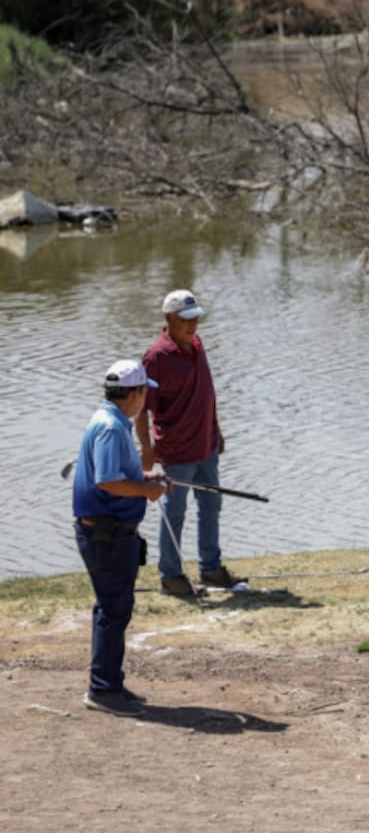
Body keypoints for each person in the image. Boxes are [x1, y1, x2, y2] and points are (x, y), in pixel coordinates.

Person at [73, 359, 169, 717]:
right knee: (113, 611)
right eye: (146, 392)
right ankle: (102, 690)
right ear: (136, 392)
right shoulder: (112, 428)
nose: (147, 399)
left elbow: (115, 474)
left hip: (108, 532)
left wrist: (146, 476)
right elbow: (108, 482)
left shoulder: (110, 421)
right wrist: (147, 490)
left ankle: (110, 684)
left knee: (114, 609)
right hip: (107, 535)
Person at [135, 289, 245, 596]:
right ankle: (171, 575)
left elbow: (207, 392)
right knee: (175, 512)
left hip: (206, 446)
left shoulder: (197, 345)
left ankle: (210, 569)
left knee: (211, 505)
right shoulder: (157, 357)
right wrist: (146, 449)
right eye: (186, 320)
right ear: (168, 318)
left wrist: (217, 430)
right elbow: (141, 409)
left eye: (195, 319)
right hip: (178, 452)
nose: (192, 326)